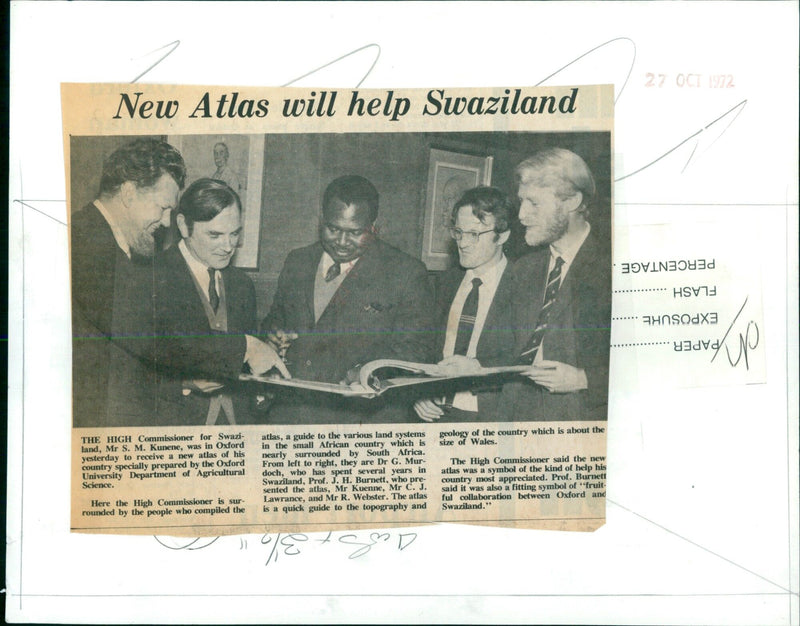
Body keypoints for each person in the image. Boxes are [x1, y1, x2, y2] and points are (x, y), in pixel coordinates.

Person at [71, 139, 287, 427]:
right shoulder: (87, 240)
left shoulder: (106, 240)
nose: (164, 222)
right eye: (161, 208)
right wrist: (244, 347)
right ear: (128, 193)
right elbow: (145, 334)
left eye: (234, 234)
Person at [263, 174, 435, 424]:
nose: (342, 242)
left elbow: (417, 350)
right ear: (321, 220)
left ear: (375, 226)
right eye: (333, 229)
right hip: (292, 416)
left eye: (356, 232)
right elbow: (275, 319)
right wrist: (272, 336)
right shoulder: (297, 261)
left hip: (360, 420)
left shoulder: (406, 273)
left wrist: (367, 371)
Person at [493, 148, 611, 421]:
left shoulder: (614, 267)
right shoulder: (523, 269)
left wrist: (584, 379)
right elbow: (506, 348)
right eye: (522, 202)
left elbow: (653, 362)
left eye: (534, 204)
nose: (521, 216)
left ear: (572, 201)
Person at [153, 178, 261, 425]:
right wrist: (184, 382)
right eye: (215, 235)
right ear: (183, 225)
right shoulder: (151, 276)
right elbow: (131, 372)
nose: (228, 246)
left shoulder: (243, 285)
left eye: (235, 234)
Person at [413, 186, 517, 422]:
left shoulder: (523, 286)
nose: (463, 243)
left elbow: (525, 356)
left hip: (490, 416)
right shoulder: (445, 282)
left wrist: (477, 367)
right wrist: (419, 391)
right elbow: (424, 345)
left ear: (502, 236)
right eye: (459, 232)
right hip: (435, 413)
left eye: (474, 234)